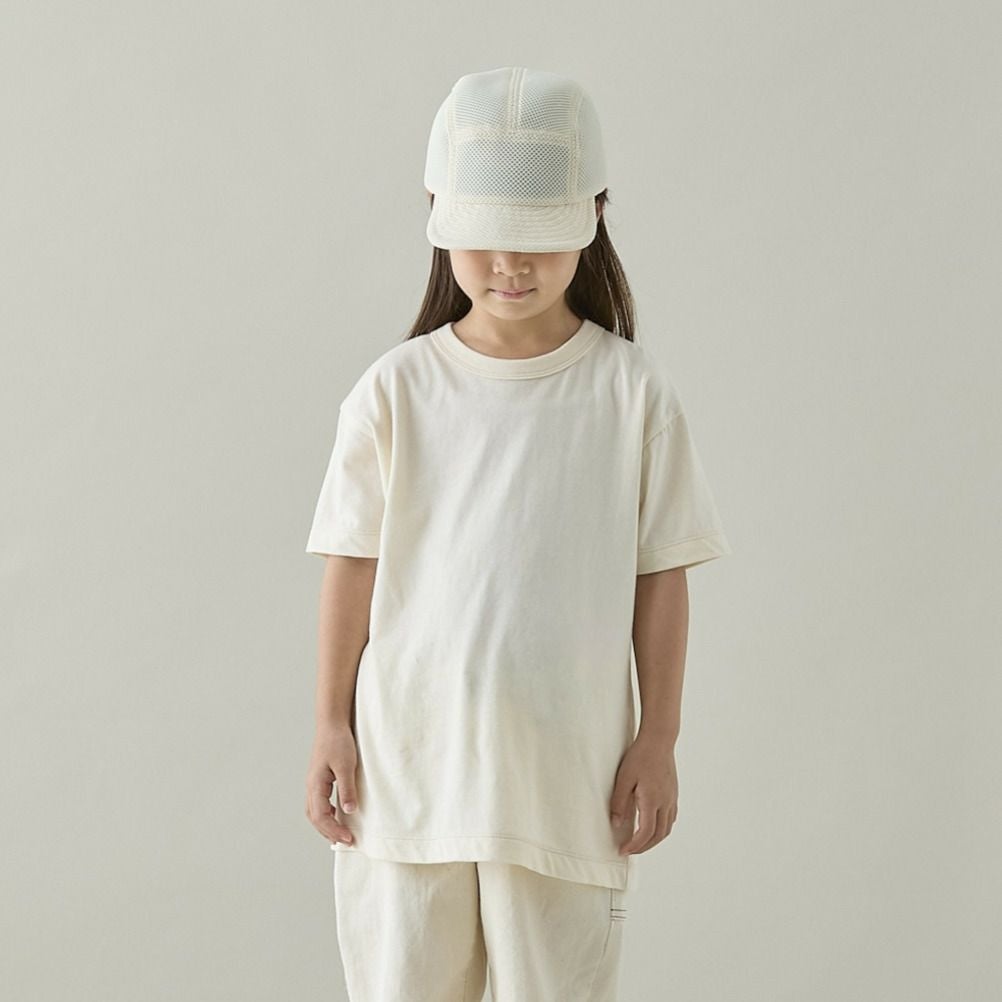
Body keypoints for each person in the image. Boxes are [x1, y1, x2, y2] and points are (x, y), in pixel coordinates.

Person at [303, 66, 732, 1002]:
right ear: (437, 217)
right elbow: (353, 564)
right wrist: (331, 722)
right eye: (484, 236)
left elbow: (661, 576)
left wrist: (659, 737)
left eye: (538, 238)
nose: (510, 264)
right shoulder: (396, 392)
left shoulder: (630, 395)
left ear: (594, 217)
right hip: (407, 782)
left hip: (565, 789)